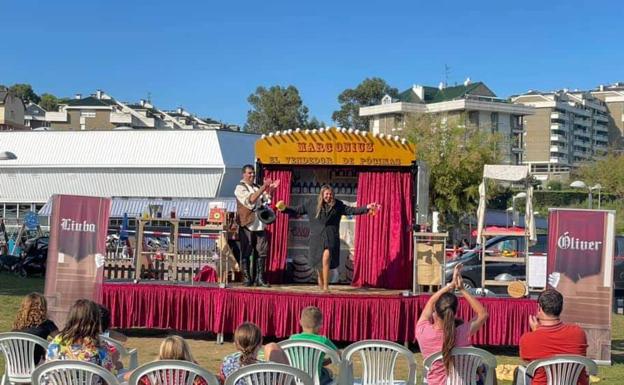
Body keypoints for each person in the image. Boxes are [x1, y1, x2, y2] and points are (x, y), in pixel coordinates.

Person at [277, 184, 380, 291]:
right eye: (327, 194)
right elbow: (297, 210)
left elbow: (352, 210)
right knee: (318, 264)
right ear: (322, 194)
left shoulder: (337, 205)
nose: (329, 196)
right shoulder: (311, 203)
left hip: (331, 237)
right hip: (316, 238)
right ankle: (321, 283)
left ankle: (326, 286)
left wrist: (367, 208)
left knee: (326, 258)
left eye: (331, 194)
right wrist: (284, 208)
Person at [416, 264, 489, 385]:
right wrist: (462, 289)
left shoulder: (423, 331)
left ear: (435, 311)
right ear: (455, 312)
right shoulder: (461, 332)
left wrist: (449, 286)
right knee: (485, 369)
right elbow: (483, 314)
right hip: (464, 382)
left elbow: (430, 302)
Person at [514, 289, 588, 385]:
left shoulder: (528, 339)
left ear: (539, 308)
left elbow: (529, 364)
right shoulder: (579, 333)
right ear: (561, 308)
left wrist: (536, 332)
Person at [234, 164, 279, 287]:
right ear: (244, 174)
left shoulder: (256, 187)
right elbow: (251, 200)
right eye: (249, 173)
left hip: (259, 223)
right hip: (247, 223)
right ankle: (247, 278)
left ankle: (259, 278)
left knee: (262, 251)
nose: (252, 175)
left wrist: (272, 189)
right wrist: (264, 187)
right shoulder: (240, 188)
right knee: (246, 250)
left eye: (253, 173)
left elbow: (266, 200)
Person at [47, 299, 114, 372]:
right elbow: (108, 378)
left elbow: (47, 372)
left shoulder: (56, 342)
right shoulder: (100, 346)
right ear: (95, 321)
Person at [219, 322, 289, 385]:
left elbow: (223, 381)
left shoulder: (227, 362)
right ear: (260, 343)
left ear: (236, 343)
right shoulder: (271, 368)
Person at [126, 335, 209, 385]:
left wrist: (144, 370)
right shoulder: (194, 372)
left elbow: (128, 376)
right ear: (186, 351)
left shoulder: (153, 372)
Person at [289, 306, 338, 385]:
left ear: (300, 322)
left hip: (297, 379)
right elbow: (338, 355)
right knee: (329, 372)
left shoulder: (292, 339)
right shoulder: (323, 340)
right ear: (321, 324)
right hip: (316, 380)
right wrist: (328, 361)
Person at [12, 292, 59, 364]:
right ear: (43, 308)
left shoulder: (17, 325)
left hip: (15, 365)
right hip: (35, 365)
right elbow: (60, 340)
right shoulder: (47, 324)